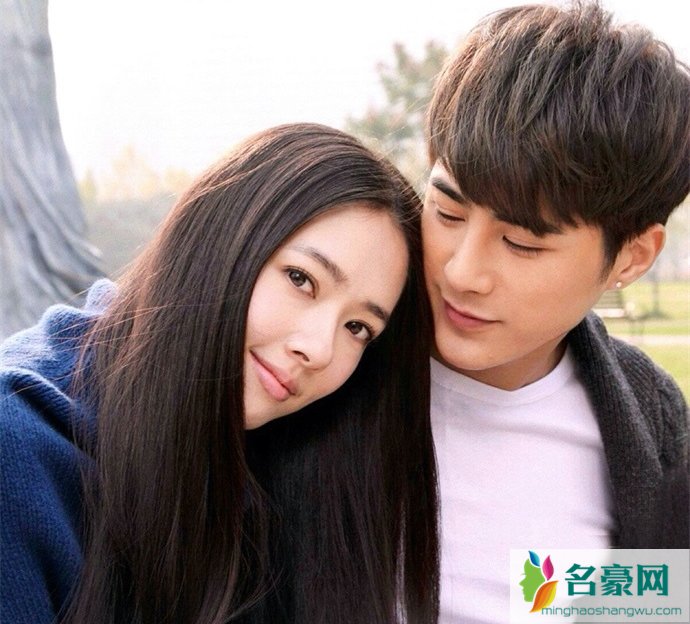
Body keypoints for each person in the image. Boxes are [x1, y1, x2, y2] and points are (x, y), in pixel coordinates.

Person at [0, 123, 439, 624]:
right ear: (220, 237)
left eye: (358, 328)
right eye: (301, 279)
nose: (319, 349)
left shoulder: (296, 464)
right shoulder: (21, 449)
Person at [421, 3, 689, 622]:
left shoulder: (649, 418)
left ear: (631, 256)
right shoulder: (323, 369)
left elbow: (658, 597)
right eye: (447, 212)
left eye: (522, 243)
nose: (462, 272)